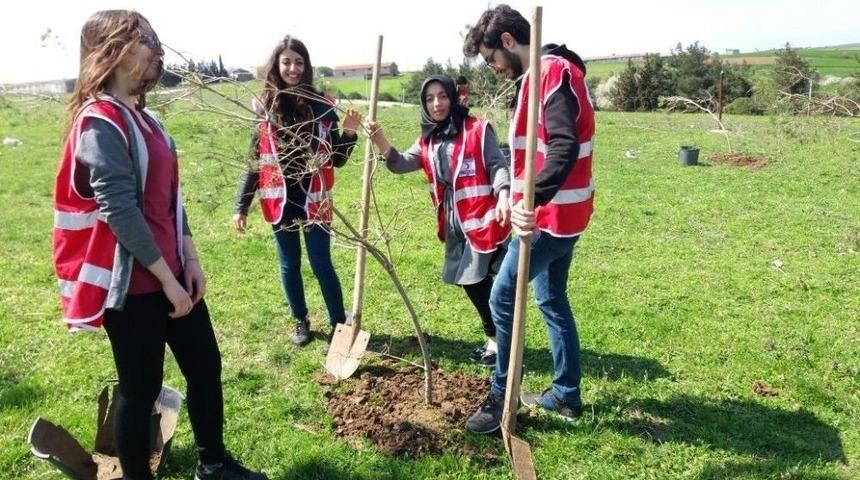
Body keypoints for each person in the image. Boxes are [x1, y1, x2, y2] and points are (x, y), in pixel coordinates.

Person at [51, 10, 266, 479]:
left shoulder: (145, 120)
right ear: (113, 50)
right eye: (144, 39)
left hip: (173, 275)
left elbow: (172, 200)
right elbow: (120, 211)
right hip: (134, 289)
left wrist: (189, 261)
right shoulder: (100, 122)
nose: (156, 48)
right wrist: (168, 282)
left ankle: (212, 463)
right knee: (140, 387)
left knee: (206, 367)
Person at [460, 4, 596, 433]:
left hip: (549, 220)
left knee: (502, 298)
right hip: (562, 214)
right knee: (552, 300)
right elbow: (533, 152)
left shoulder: (551, 74)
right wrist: (515, 194)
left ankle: (502, 396)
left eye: (491, 59)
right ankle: (566, 396)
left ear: (507, 42)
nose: (493, 68)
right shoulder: (538, 78)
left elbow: (563, 147)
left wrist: (532, 199)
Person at [366, 75, 511, 366]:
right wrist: (380, 140)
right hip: (455, 225)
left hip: (484, 219)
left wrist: (505, 194)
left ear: (453, 97)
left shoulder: (478, 130)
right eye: (430, 98)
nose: (437, 104)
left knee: (476, 281)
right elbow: (402, 163)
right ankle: (501, 336)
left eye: (442, 96)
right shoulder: (429, 139)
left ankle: (498, 340)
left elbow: (497, 165)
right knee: (477, 282)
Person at [233, 37, 360, 349]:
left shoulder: (323, 107)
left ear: (307, 67)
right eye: (287, 62)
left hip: (313, 198)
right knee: (289, 264)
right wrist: (241, 205)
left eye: (299, 62)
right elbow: (255, 160)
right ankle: (300, 321)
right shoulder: (265, 108)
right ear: (277, 65)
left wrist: (350, 133)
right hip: (280, 200)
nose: (293, 68)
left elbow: (338, 160)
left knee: (321, 263)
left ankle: (338, 323)